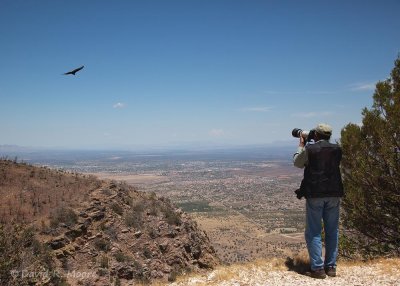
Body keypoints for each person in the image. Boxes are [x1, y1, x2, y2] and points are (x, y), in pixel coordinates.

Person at [293, 123, 344, 279]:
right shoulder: (337, 149)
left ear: (315, 135)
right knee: (332, 231)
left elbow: (297, 163)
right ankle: (331, 267)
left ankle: (317, 269)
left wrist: (302, 145)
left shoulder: (310, 149)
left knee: (314, 232)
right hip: (334, 193)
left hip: (315, 193)